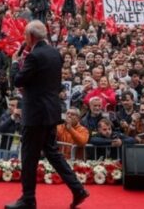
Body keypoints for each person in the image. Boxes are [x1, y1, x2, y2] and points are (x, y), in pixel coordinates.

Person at [6, 20, 88, 209]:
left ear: (31, 37)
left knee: (28, 157)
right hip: (50, 113)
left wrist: (15, 63)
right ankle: (77, 189)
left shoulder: (34, 56)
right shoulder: (55, 53)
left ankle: (28, 199)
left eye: (25, 35)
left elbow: (18, 80)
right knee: (52, 153)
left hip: (35, 114)